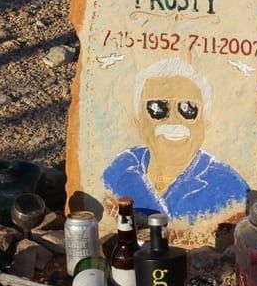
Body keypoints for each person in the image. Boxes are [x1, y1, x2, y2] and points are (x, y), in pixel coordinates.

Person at [102, 57, 249, 223]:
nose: (173, 121)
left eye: (188, 109)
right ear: (139, 121)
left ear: (204, 122)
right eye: (157, 108)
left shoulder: (228, 186)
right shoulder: (120, 169)